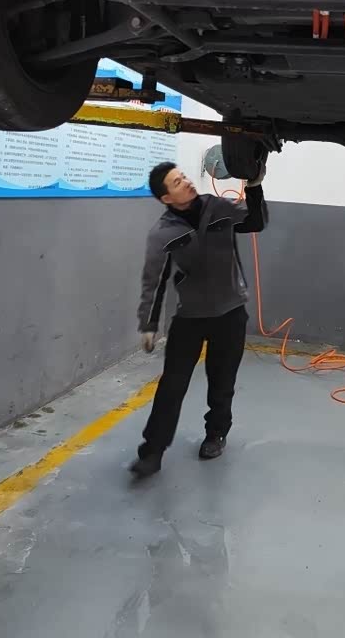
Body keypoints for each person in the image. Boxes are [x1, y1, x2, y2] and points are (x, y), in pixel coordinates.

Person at [129, 159, 267, 478]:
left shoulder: (217, 208)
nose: (187, 182)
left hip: (230, 313)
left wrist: (255, 185)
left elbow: (255, 222)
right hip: (190, 317)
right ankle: (152, 451)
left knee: (222, 381)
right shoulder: (163, 233)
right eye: (177, 182)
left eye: (184, 177)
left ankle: (216, 434)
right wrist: (149, 324)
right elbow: (154, 281)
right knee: (172, 385)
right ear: (166, 198)